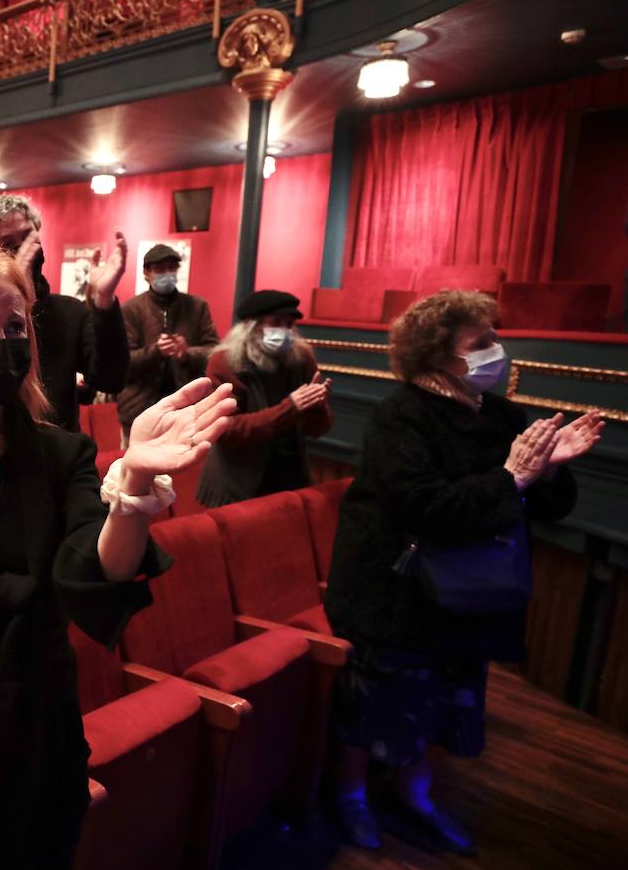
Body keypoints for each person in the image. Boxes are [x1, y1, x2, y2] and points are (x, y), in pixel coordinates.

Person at [0, 244, 236, 868]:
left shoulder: (61, 453)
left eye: (13, 327)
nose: (0, 342)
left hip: (40, 720)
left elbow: (98, 568)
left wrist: (133, 484)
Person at [323, 291, 601, 855]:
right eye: (481, 343)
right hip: (397, 590)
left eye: (495, 336)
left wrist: (547, 473)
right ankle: (349, 796)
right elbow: (425, 506)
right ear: (437, 355)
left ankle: (414, 796)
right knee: (374, 705)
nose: (497, 350)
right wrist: (514, 479)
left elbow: (547, 509)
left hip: (470, 592)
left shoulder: (502, 415)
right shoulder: (399, 415)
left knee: (445, 702)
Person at [0, 195, 129, 432]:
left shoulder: (70, 311)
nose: (26, 249)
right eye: (9, 244)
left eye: (28, 236)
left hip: (60, 457)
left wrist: (104, 301)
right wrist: (16, 300)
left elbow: (111, 380)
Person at [195, 289, 331, 507]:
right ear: (252, 326)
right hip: (239, 483)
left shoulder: (301, 359)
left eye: (288, 325)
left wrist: (317, 405)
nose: (284, 331)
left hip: (290, 476)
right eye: (276, 323)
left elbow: (318, 430)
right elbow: (227, 430)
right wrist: (290, 408)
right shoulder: (224, 363)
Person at [116, 243, 218, 444]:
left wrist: (186, 353)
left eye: (172, 268)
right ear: (147, 273)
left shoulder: (197, 306)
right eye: (160, 269)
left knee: (183, 470)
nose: (167, 274)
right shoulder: (130, 309)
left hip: (186, 409)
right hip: (138, 409)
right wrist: (156, 352)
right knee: (137, 469)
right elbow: (122, 362)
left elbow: (214, 351)